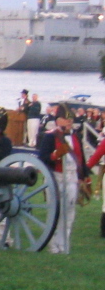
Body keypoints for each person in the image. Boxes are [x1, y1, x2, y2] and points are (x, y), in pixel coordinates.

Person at [38, 104, 90, 254]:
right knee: (55, 212)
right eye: (66, 119)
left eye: (70, 119)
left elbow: (81, 159)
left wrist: (84, 177)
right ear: (58, 120)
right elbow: (43, 159)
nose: (69, 122)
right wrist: (55, 155)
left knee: (69, 212)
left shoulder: (75, 137)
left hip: (72, 177)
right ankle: (53, 245)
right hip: (56, 177)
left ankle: (64, 244)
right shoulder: (50, 137)